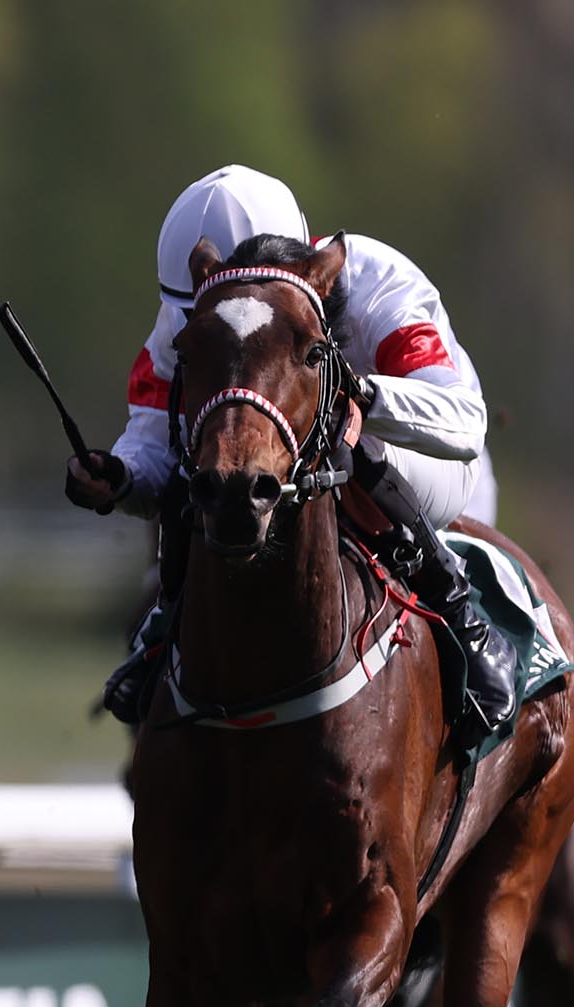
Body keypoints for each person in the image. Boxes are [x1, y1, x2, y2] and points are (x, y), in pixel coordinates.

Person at [67, 165, 511, 739]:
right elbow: (153, 435)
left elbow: (462, 421)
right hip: (283, 474)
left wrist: (360, 394)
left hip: (427, 462)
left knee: (333, 436)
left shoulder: (381, 285)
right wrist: (121, 476)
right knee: (205, 457)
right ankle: (163, 628)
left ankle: (464, 621)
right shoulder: (192, 310)